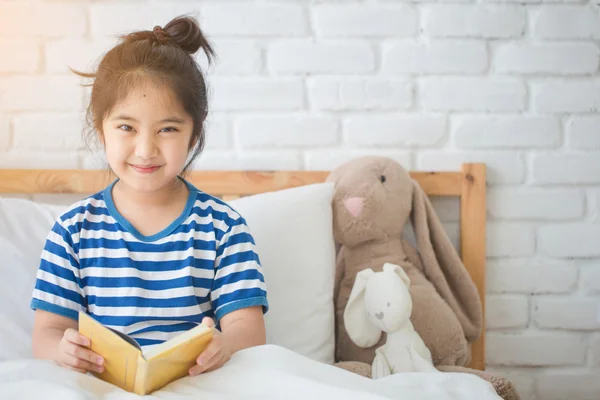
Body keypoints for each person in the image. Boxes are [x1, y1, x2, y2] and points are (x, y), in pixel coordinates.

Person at [29, 15, 268, 377]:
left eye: (167, 129)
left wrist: (227, 344)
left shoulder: (224, 227)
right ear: (101, 128)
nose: (145, 150)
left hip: (198, 383)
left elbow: (248, 330)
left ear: (193, 134)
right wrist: (63, 350)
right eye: (126, 127)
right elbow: (46, 335)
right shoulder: (73, 230)